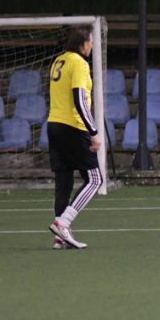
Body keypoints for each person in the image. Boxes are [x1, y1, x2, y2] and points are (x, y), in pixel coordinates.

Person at [46, 24, 103, 249]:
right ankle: (64, 222)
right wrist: (93, 132)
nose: (92, 45)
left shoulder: (58, 61)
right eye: (90, 41)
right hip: (73, 126)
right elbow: (80, 99)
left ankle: (60, 238)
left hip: (54, 124)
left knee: (64, 182)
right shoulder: (79, 63)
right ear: (83, 43)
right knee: (95, 179)